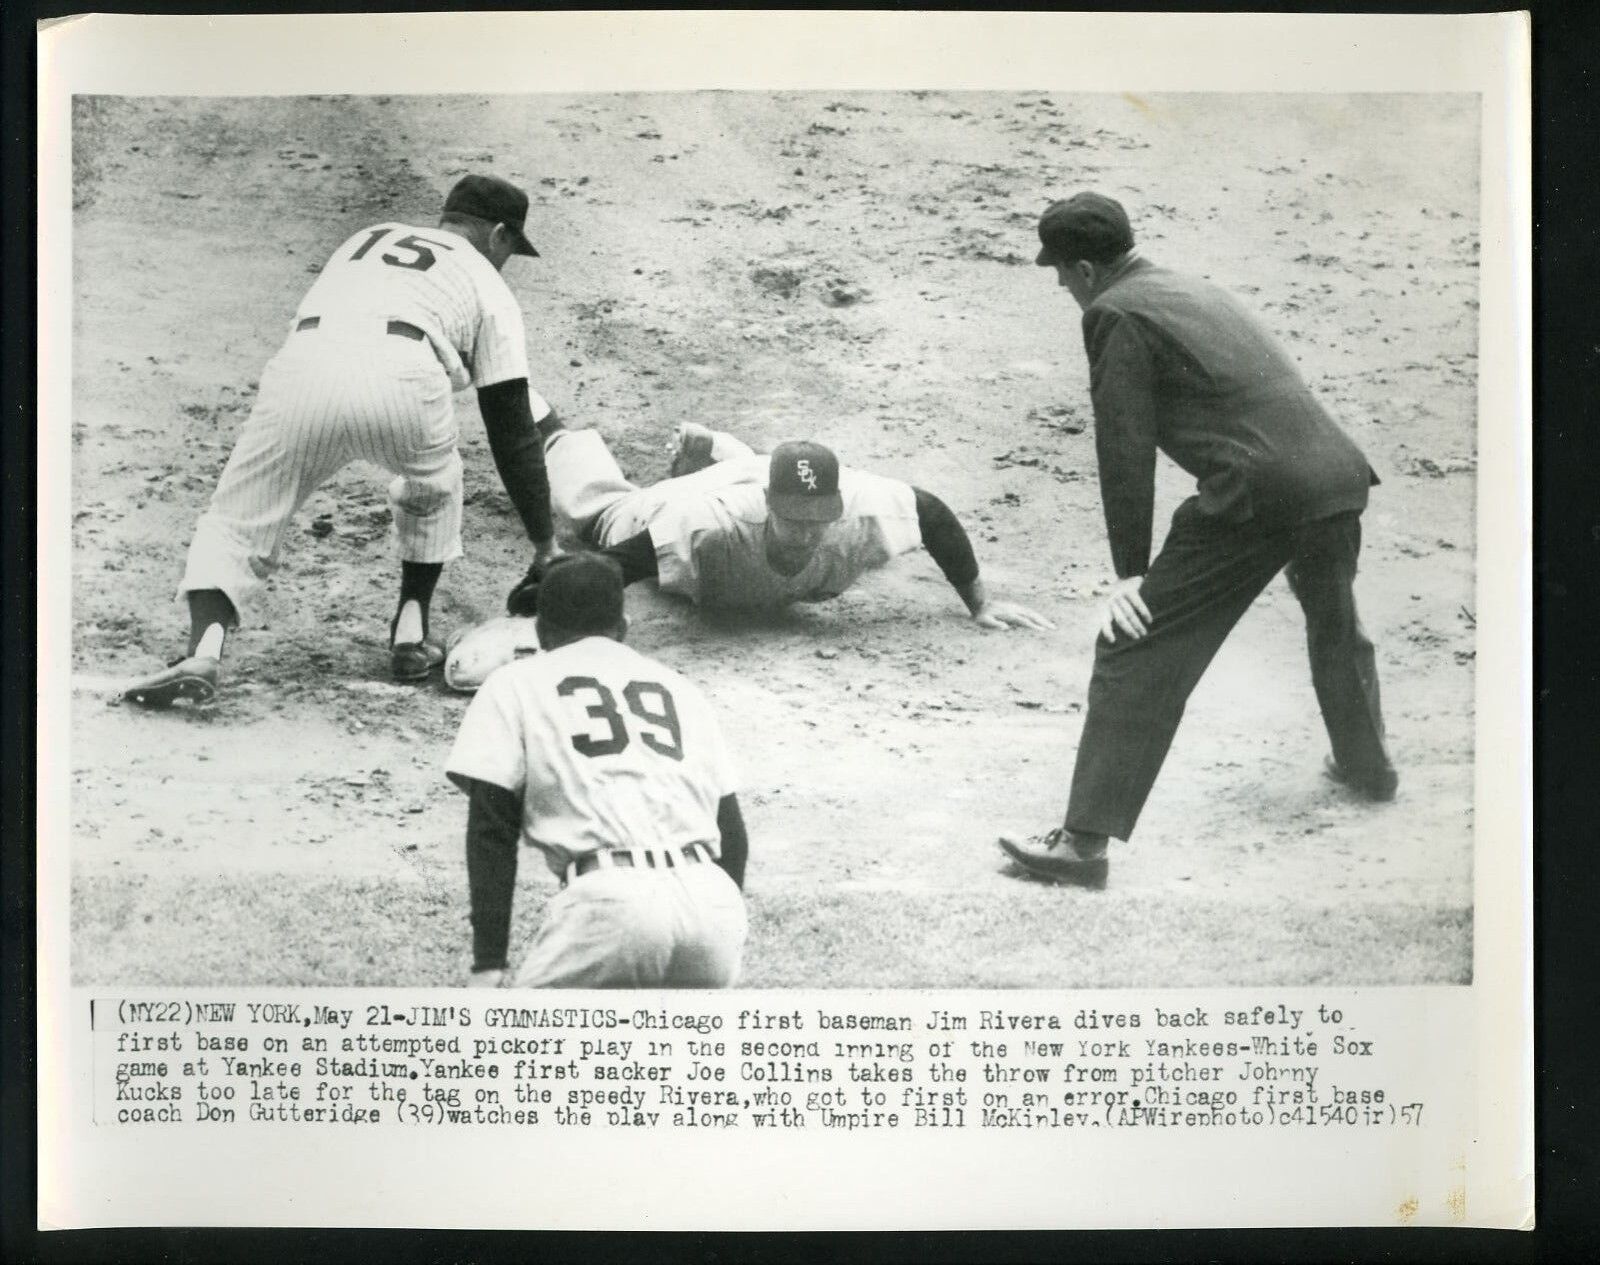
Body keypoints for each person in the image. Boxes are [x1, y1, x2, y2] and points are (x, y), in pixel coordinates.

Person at [1000, 192, 1398, 890]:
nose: (1059, 284)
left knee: (1134, 640)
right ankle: (1368, 768)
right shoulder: (1187, 285)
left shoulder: (1112, 312)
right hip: (1335, 472)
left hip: (1259, 490)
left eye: (1059, 270)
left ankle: (1082, 846)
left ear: (1087, 268)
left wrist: (1130, 572)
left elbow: (1125, 445)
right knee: (1334, 621)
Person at [122, 174, 561, 707]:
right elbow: (511, 427)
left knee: (238, 517)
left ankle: (205, 649)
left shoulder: (366, 238)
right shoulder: (489, 283)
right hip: (407, 379)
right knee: (434, 486)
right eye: (512, 247)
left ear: (447, 218)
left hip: (305, 365)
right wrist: (544, 544)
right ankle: (409, 634)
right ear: (499, 234)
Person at [446, 554, 748, 988]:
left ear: (541, 632)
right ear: (624, 627)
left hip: (613, 906)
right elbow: (731, 833)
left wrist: (488, 961)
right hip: (712, 905)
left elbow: (491, 826)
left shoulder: (515, 682)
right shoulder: (679, 688)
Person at [506, 417, 1054, 631]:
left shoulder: (864, 505)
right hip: (671, 504)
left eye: (819, 518)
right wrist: (555, 589)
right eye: (795, 519)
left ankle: (724, 452)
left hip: (752, 480)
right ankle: (554, 430)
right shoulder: (705, 526)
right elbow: (620, 562)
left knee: (757, 473)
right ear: (772, 504)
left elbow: (932, 513)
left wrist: (980, 603)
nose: (810, 532)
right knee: (598, 512)